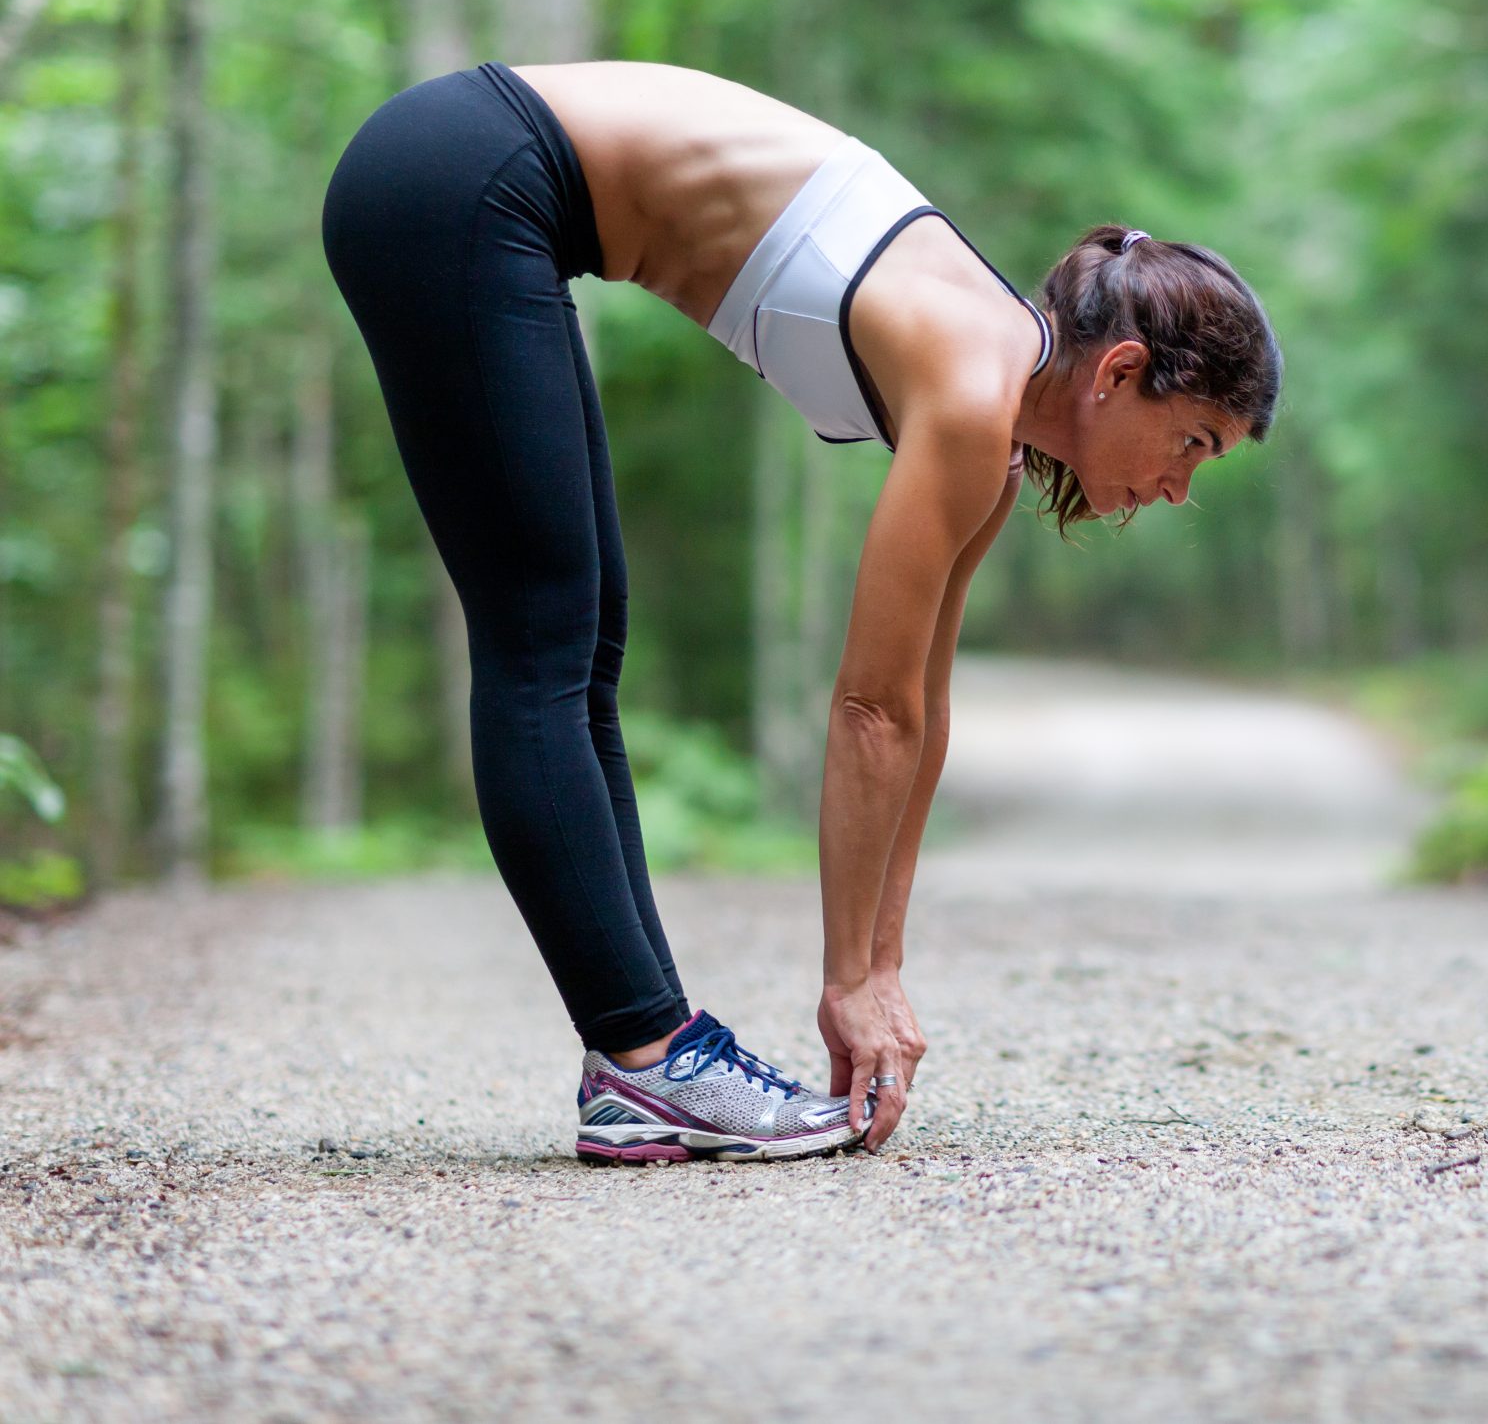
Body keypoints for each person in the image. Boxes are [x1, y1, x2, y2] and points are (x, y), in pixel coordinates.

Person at [320, 61, 1281, 1163]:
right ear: (1119, 371)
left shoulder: (993, 427)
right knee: (544, 643)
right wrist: (843, 983)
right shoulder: (974, 391)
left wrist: (880, 970)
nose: (1180, 488)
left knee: (579, 646)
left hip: (484, 188)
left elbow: (920, 703)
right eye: (1193, 443)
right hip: (464, 173)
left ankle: (645, 1059)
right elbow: (867, 710)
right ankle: (643, 1059)